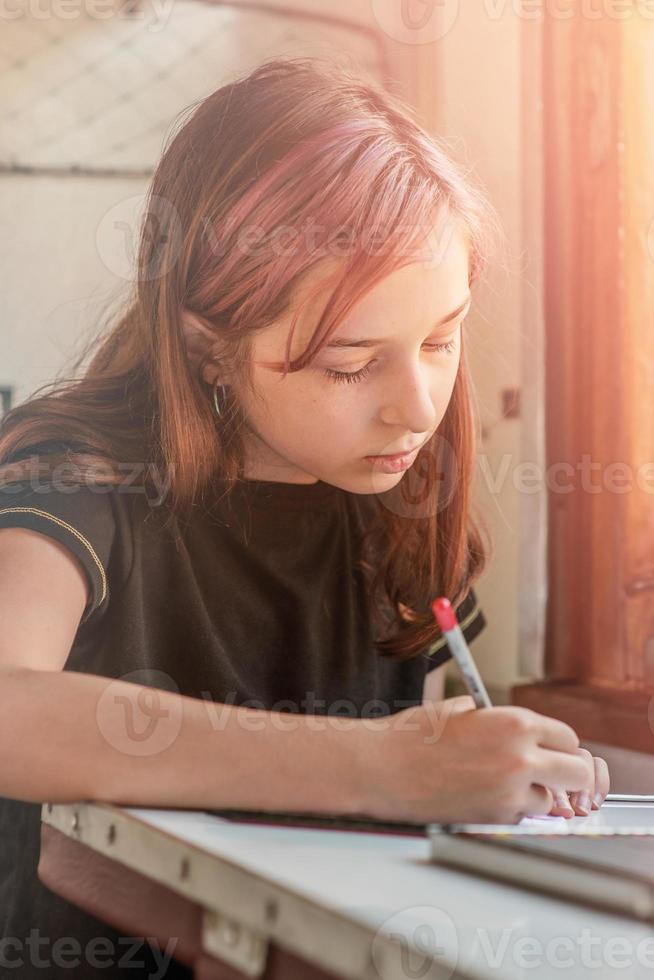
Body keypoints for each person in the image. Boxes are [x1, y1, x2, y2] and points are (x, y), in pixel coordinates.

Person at [0, 57, 608, 978]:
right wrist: (381, 767)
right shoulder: (75, 473)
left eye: (442, 339)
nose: (417, 406)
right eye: (350, 364)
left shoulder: (402, 501)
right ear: (209, 349)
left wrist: (499, 769)